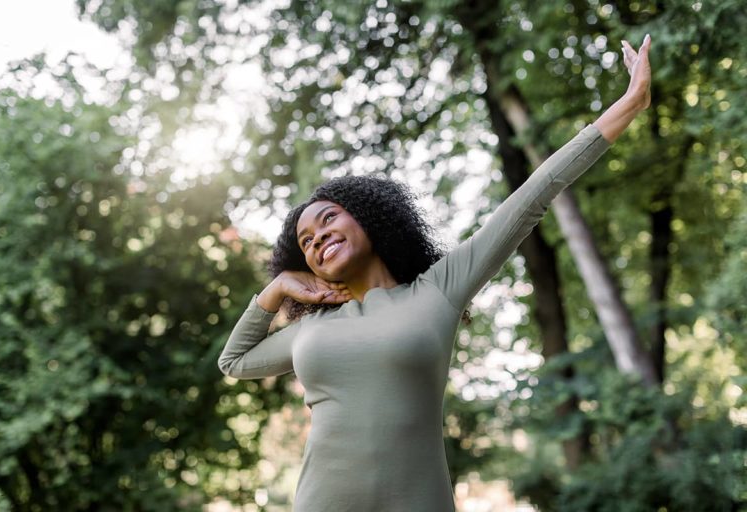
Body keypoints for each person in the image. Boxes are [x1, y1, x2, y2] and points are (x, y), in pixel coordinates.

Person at [218, 34, 652, 512]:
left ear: (370, 219)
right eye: (306, 241)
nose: (318, 237)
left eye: (328, 219)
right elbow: (233, 362)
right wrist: (276, 290)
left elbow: (533, 196)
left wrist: (629, 105)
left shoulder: (438, 291)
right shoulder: (311, 328)